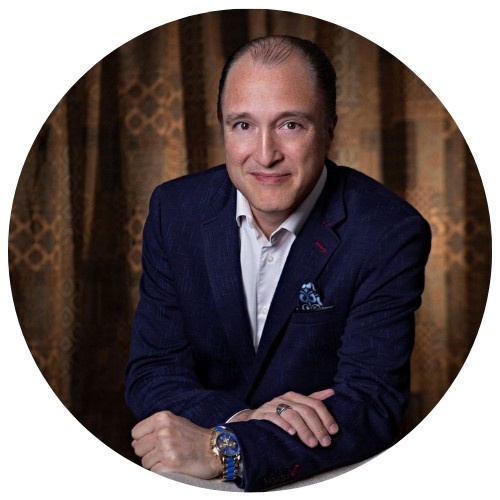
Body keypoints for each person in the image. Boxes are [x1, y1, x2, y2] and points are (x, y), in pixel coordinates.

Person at [125, 34, 431, 492]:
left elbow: (371, 404)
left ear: (328, 129)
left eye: (290, 125)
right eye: (243, 125)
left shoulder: (388, 231)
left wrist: (228, 449)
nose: (265, 154)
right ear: (222, 128)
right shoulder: (175, 210)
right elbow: (153, 371)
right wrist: (237, 423)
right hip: (192, 469)